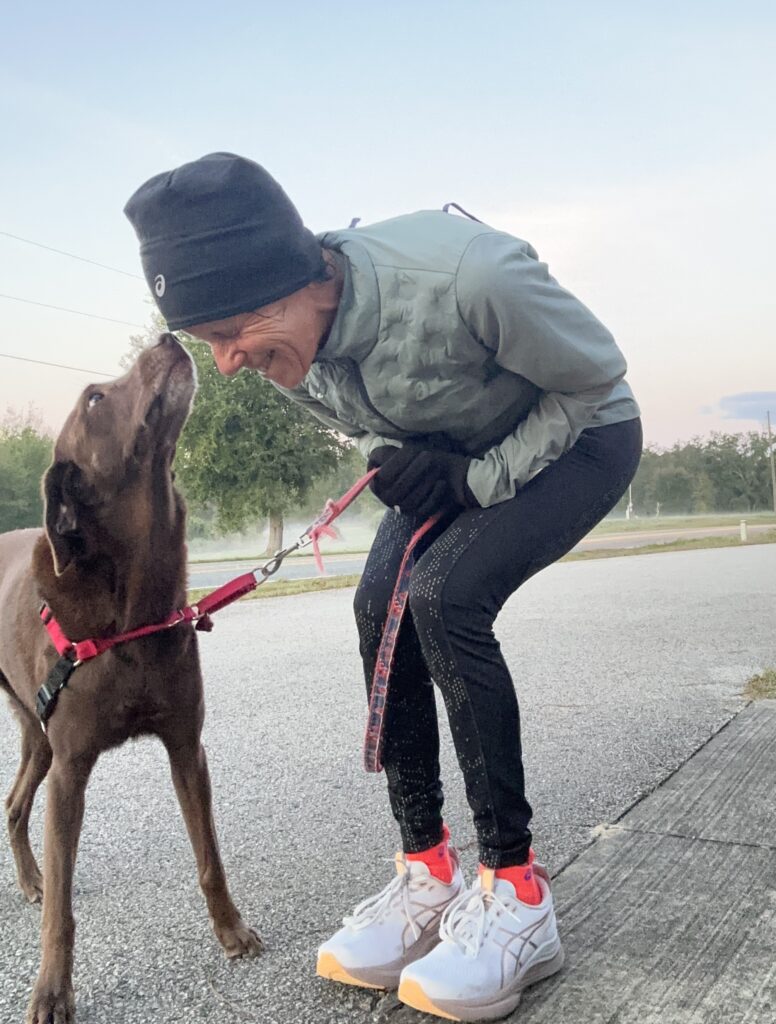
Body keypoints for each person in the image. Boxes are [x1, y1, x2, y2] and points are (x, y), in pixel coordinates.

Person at [125, 153, 642, 1022]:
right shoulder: (290, 343)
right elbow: (379, 411)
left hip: (582, 434)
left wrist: (479, 480)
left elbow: (594, 379)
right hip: (454, 447)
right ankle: (427, 874)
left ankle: (517, 897)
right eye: (205, 343)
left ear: (291, 284)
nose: (225, 365)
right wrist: (403, 458)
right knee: (379, 610)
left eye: (227, 336)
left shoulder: (470, 276)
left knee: (445, 599)